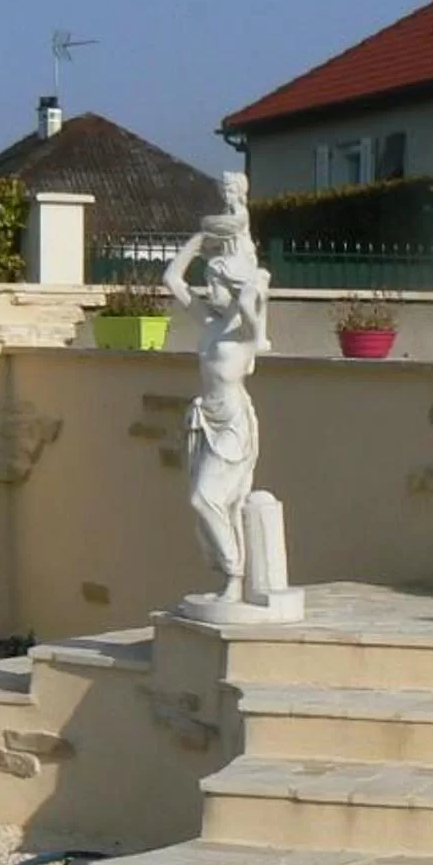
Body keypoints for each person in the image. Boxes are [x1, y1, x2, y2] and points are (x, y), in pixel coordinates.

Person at [163, 174, 273, 599]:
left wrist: (250, 281)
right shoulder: (209, 324)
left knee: (204, 499)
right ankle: (227, 576)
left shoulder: (244, 331)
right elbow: (172, 279)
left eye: (215, 284)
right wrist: (200, 240)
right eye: (209, 283)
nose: (207, 290)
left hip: (232, 424)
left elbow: (252, 301)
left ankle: (234, 574)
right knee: (212, 503)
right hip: (204, 421)